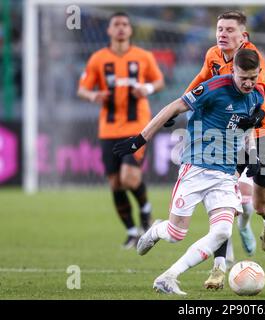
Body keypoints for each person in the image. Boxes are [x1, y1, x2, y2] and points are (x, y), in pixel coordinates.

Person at [112, 49, 265, 295]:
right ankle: (156, 230)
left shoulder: (256, 97)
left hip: (226, 175)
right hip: (196, 167)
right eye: (243, 77)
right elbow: (174, 106)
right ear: (233, 71)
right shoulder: (214, 87)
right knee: (175, 234)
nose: (248, 83)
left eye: (253, 77)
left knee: (223, 231)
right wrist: (140, 139)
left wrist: (254, 155)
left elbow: (247, 131)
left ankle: (168, 276)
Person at [164, 10, 265, 289]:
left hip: (263, 135)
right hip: (232, 137)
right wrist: (179, 105)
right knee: (225, 204)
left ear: (244, 36)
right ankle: (219, 268)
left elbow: (262, 104)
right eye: (220, 29)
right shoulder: (213, 55)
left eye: (230, 30)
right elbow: (199, 82)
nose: (223, 34)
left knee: (259, 205)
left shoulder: (253, 60)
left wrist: (258, 139)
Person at [77, 12, 165, 249]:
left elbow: (159, 82)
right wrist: (94, 94)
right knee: (115, 183)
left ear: (130, 30)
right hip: (108, 128)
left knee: (129, 177)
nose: (121, 28)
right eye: (116, 24)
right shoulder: (98, 59)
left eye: (125, 24)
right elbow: (83, 89)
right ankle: (131, 231)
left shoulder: (143, 57)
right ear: (109, 30)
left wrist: (146, 88)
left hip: (138, 127)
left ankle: (146, 215)